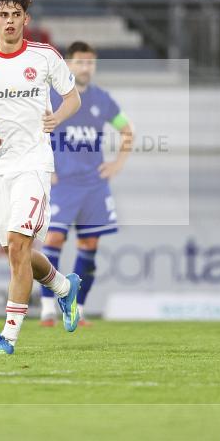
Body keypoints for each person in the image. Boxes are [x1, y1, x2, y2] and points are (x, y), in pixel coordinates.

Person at [0, 0, 82, 355]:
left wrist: (56, 117)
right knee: (16, 251)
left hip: (33, 164)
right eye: (3, 15)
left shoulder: (44, 57)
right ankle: (62, 287)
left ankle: (8, 338)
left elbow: (73, 98)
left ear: (26, 19)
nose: (9, 21)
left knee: (20, 246)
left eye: (16, 15)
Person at [40, 41, 134, 327]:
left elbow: (126, 131)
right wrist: (45, 168)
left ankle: (77, 309)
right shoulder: (53, 97)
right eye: (80, 62)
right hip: (62, 184)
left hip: (93, 185)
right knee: (53, 239)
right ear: (67, 65)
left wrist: (117, 164)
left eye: (90, 62)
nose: (85, 67)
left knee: (89, 244)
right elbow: (33, 132)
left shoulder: (102, 100)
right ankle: (47, 309)